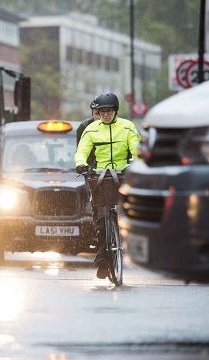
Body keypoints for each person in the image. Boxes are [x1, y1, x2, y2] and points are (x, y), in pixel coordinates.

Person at [74, 92, 140, 279]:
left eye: (109, 111)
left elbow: (136, 148)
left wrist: (134, 163)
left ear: (116, 111)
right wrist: (81, 164)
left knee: (129, 210)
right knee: (101, 217)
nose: (105, 114)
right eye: (102, 111)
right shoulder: (91, 129)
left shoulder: (127, 127)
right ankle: (103, 258)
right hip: (99, 175)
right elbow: (82, 150)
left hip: (122, 173)